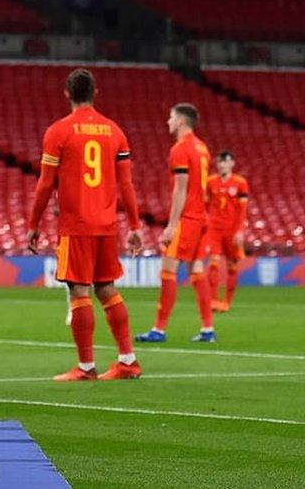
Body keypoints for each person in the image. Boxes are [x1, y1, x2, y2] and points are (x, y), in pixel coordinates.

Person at [27, 68, 143, 381]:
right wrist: (134, 226)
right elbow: (127, 186)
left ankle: (86, 366)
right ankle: (128, 359)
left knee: (79, 291)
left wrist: (33, 225)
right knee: (107, 288)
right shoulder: (114, 131)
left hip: (76, 225)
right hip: (107, 224)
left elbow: (44, 184)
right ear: (95, 93)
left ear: (67, 93)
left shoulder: (59, 132)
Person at [136, 103, 216, 343]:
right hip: (202, 218)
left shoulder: (180, 149)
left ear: (181, 121)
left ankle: (159, 329)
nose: (167, 121)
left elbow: (180, 190)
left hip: (188, 219)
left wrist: (171, 225)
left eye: (170, 117)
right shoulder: (203, 148)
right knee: (197, 272)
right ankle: (207, 329)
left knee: (168, 271)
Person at [205, 151, 249, 312]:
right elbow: (205, 206)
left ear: (232, 164)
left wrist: (240, 231)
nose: (222, 164)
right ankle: (214, 300)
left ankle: (227, 302)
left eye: (225, 161)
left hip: (232, 230)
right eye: (220, 162)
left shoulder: (240, 182)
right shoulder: (211, 182)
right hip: (214, 228)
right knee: (213, 263)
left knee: (232, 265)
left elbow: (243, 210)